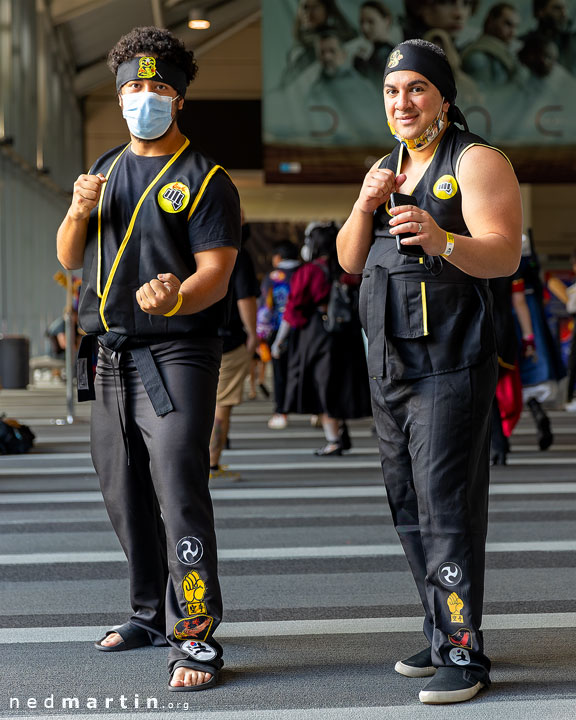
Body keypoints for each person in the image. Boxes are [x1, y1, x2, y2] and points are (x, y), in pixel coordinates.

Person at [337, 39, 522, 703]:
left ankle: (464, 655)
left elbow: (503, 255)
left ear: (443, 96)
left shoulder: (475, 161)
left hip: (449, 364)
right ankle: (444, 627)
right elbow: (349, 262)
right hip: (388, 363)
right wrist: (364, 204)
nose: (402, 101)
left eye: (416, 88)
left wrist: (443, 238)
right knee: (409, 507)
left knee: (447, 508)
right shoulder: (386, 168)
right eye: (392, 91)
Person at [56, 27, 241, 692]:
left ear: (180, 98)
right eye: (134, 87)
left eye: (158, 87)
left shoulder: (205, 179)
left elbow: (216, 273)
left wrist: (177, 294)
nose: (145, 97)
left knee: (178, 489)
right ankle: (147, 614)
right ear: (119, 94)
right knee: (123, 492)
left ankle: (194, 633)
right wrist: (77, 211)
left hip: (178, 354)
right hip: (107, 355)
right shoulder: (103, 170)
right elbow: (69, 256)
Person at [273, 222, 372, 455]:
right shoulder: (348, 270)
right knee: (342, 382)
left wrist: (280, 341)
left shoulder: (309, 272)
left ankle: (334, 439)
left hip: (317, 334)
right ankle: (340, 432)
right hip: (347, 334)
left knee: (322, 386)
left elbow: (293, 308)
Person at [209, 244, 260, 480]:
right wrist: (252, 333)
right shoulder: (236, 251)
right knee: (221, 405)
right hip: (228, 340)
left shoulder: (186, 240)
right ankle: (211, 464)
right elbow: (244, 296)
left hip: (190, 337)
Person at [257, 240, 301, 430]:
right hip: (304, 328)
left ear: (278, 258)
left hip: (277, 330)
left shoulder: (273, 277)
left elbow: (266, 308)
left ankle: (281, 411)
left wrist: (261, 333)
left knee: (280, 373)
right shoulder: (306, 271)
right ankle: (317, 412)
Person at [460, 3, 524, 86]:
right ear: (491, 21)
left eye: (516, 27)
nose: (513, 32)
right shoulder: (478, 57)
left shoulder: (502, 55)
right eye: (508, 24)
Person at [354, 1, 395, 87]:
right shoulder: (372, 53)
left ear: (386, 21)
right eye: (362, 22)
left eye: (371, 22)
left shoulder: (387, 54)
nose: (365, 28)